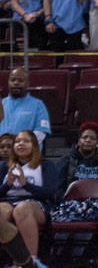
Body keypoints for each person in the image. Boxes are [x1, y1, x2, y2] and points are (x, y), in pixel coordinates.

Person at [0, 130, 57, 264]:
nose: (21, 144)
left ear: (35, 145)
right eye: (18, 141)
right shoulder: (3, 166)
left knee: (22, 209)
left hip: (37, 205)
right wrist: (8, 184)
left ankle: (30, 261)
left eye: (26, 141)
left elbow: (51, 193)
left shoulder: (45, 165)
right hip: (8, 202)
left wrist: (26, 185)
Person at [0, 71, 50, 144]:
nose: (16, 83)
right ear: (8, 83)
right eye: (13, 80)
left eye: (20, 80)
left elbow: (41, 133)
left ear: (27, 84)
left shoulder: (38, 105)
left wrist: (20, 145)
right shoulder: (1, 104)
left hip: (27, 153)